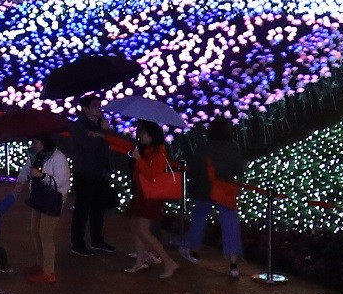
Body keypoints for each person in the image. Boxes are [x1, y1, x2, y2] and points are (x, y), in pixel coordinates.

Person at [185, 117, 248, 277]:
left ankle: (194, 252)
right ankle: (233, 264)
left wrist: (193, 187)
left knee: (199, 218)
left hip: (203, 189)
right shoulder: (233, 148)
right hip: (224, 190)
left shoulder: (203, 147)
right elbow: (239, 170)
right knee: (230, 224)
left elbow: (194, 169)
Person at [123, 121, 183, 278]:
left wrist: (138, 160)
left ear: (152, 136)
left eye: (143, 133)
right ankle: (140, 260)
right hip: (141, 193)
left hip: (149, 196)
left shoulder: (159, 153)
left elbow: (151, 175)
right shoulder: (146, 151)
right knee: (135, 227)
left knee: (143, 230)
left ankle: (168, 262)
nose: (139, 135)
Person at [65, 104, 122, 257]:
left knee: (99, 209)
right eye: (95, 106)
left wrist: (104, 132)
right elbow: (89, 146)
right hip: (84, 173)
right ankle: (77, 243)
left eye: (99, 105)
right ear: (85, 108)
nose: (99, 109)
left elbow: (108, 143)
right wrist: (102, 132)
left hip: (100, 173)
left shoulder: (100, 124)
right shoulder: (79, 126)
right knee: (82, 210)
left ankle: (97, 240)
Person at [20, 139, 70, 284]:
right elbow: (27, 168)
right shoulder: (36, 154)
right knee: (34, 230)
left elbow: (61, 181)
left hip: (53, 199)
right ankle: (40, 263)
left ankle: (49, 271)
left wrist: (41, 176)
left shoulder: (58, 157)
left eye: (37, 142)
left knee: (46, 234)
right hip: (38, 196)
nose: (34, 145)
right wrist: (20, 181)